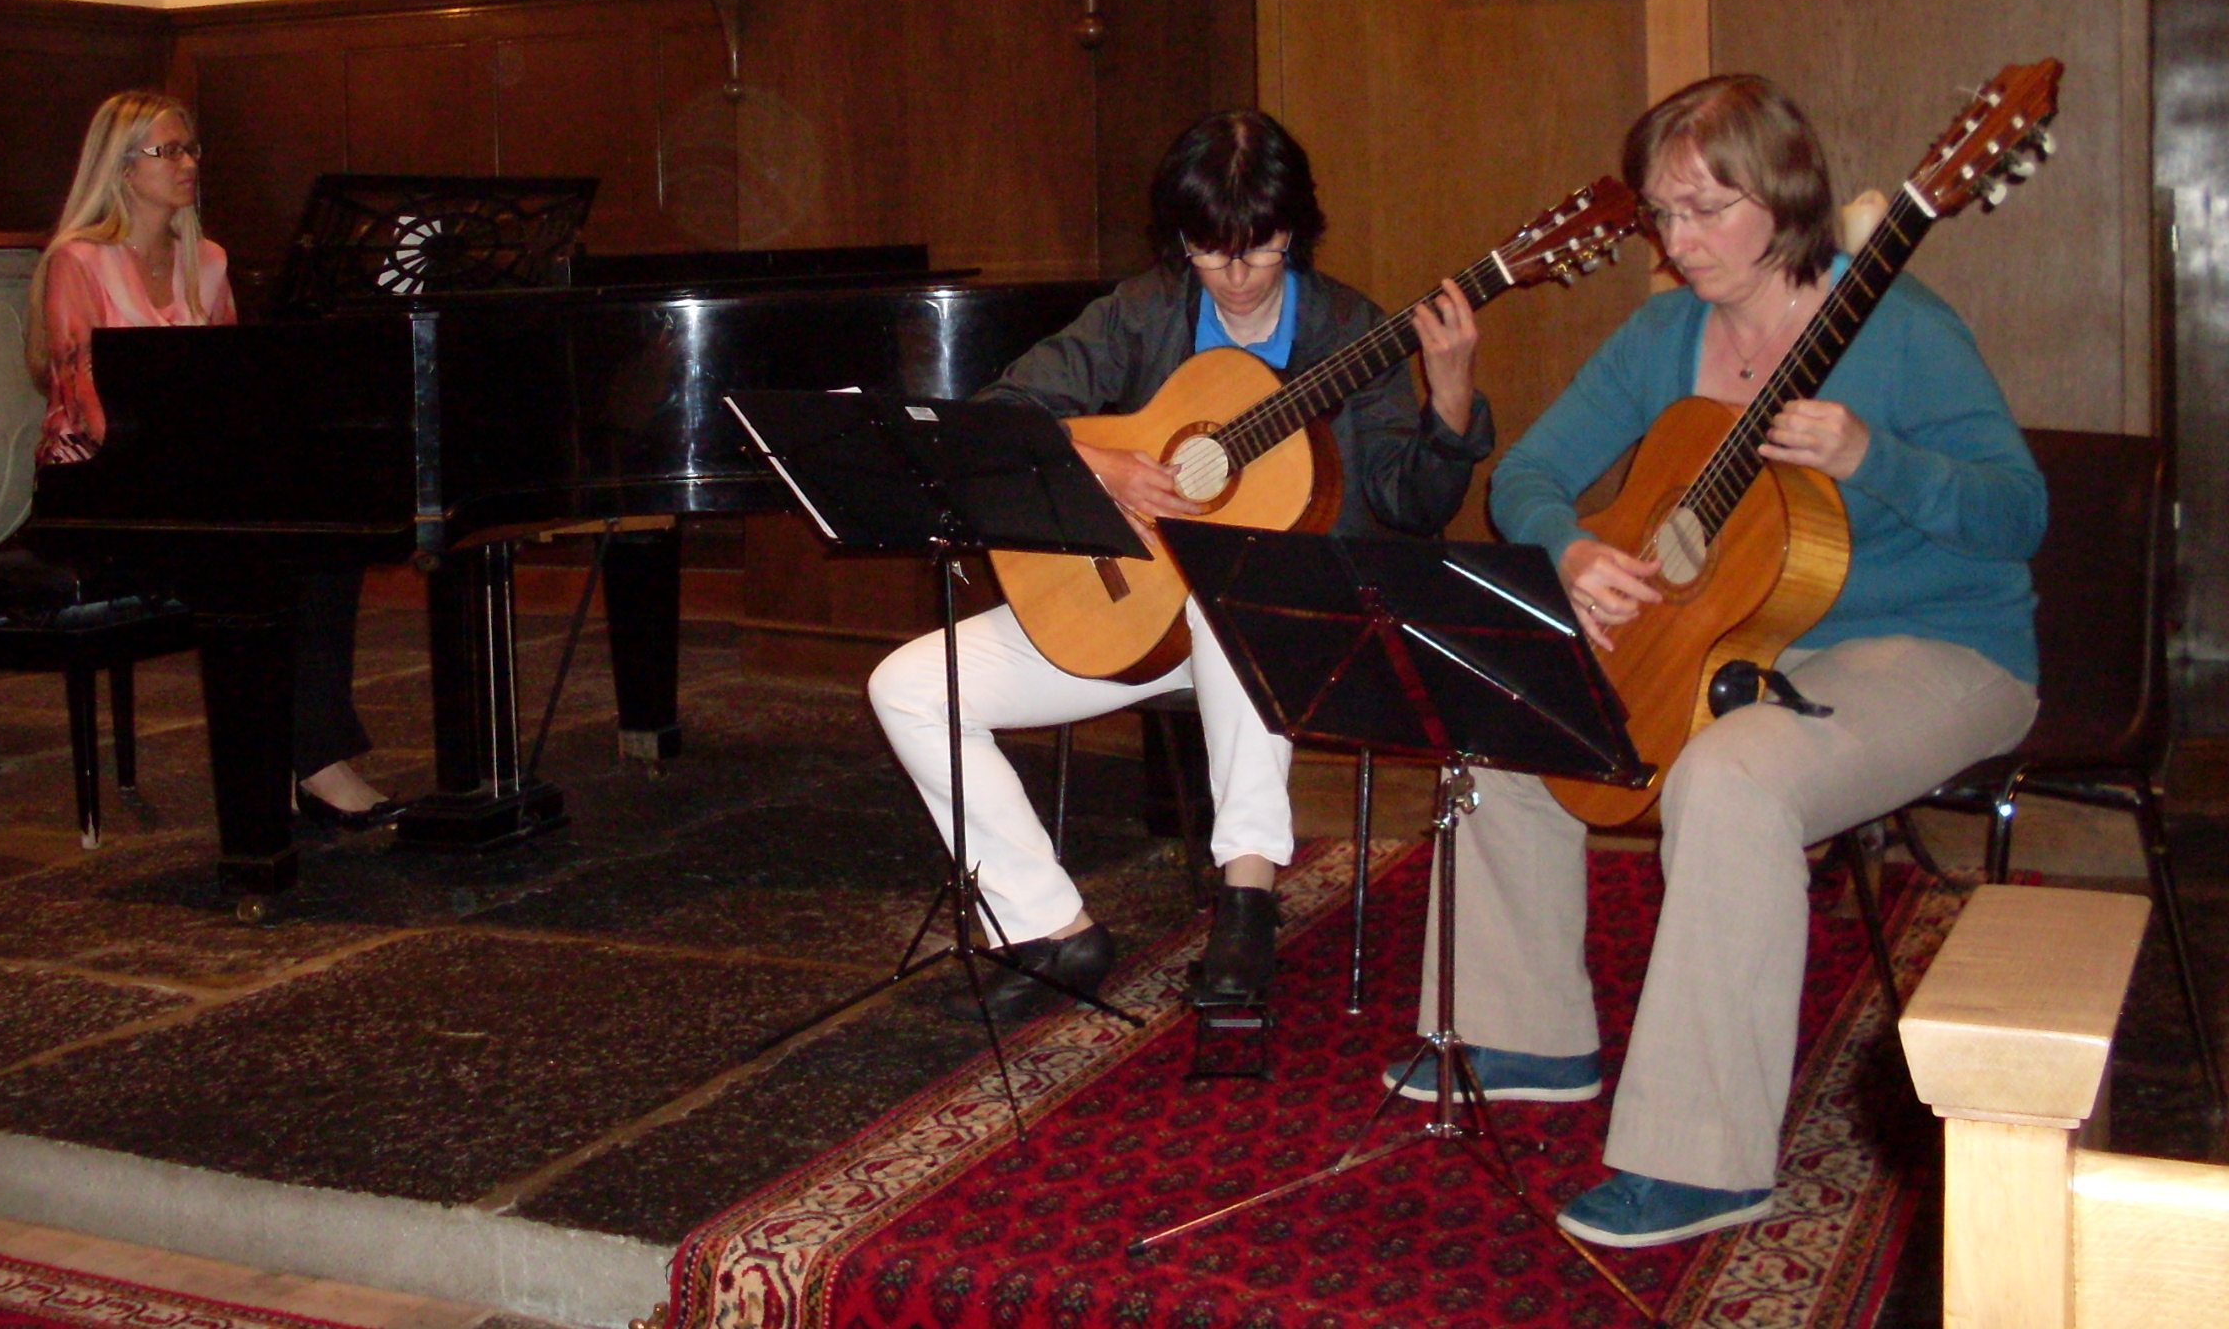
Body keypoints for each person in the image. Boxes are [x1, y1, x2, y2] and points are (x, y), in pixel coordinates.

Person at [1383, 74, 2043, 1249]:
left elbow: (2016, 517)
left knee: (1731, 782)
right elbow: (1525, 475)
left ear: (1784, 196)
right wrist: (1575, 550)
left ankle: (1703, 1161)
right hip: (1733, 638)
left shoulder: (1905, 332)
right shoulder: (1661, 337)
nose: (1677, 243)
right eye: (1662, 215)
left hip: (1932, 646)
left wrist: (1873, 457)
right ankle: (1528, 1031)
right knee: (1503, 714)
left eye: (1704, 210)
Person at [868, 110, 1492, 1023]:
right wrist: (1108, 464)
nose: (1235, 275)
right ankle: (1049, 925)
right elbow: (1002, 412)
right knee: (909, 687)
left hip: (1298, 631)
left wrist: (1451, 402)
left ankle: (1246, 897)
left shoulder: (1351, 331)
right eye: (1209, 250)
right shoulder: (1145, 311)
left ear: (1295, 232)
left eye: (1261, 247)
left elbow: (1412, 506)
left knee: (1227, 580)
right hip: (1135, 615)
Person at [28, 90, 399, 828]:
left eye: (192, 149)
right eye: (168, 151)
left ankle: (307, 755)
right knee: (274, 554)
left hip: (191, 480)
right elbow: (78, 403)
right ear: (123, 169)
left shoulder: (210, 260)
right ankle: (304, 762)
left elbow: (235, 387)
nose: (188, 164)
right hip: (104, 487)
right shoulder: (79, 261)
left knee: (328, 541)